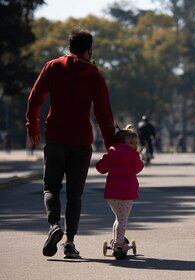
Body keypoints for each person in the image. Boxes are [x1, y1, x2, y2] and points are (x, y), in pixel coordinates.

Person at [26, 28, 115, 258]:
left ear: (69, 47)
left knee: (50, 187)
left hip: (55, 138)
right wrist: (111, 147)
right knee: (75, 195)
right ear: (89, 50)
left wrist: (32, 127)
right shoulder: (95, 76)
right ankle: (69, 243)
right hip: (81, 142)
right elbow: (104, 115)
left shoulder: (53, 67)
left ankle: (54, 225)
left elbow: (34, 97)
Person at [96, 126, 144, 260]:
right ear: (124, 143)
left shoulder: (111, 153)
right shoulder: (133, 156)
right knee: (123, 220)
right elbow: (139, 167)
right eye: (131, 143)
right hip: (126, 194)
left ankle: (117, 240)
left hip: (112, 194)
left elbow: (100, 168)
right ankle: (118, 245)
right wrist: (137, 157)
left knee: (118, 218)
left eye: (136, 143)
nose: (134, 146)